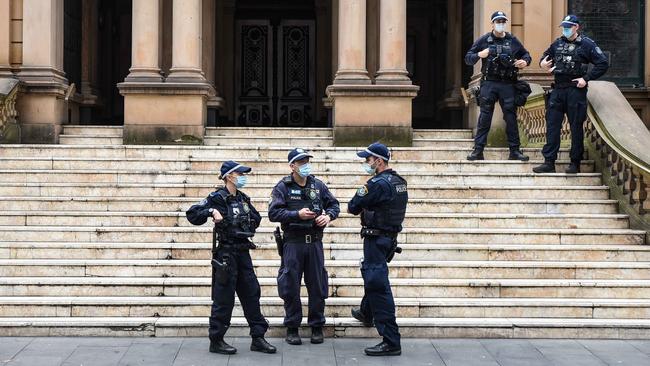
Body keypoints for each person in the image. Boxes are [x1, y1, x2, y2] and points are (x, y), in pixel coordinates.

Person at [186, 160, 276, 355]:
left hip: (243, 252)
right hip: (226, 254)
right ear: (228, 176)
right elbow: (192, 214)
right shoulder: (217, 197)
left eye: (243, 174)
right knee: (224, 298)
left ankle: (258, 337)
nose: (243, 177)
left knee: (252, 294)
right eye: (239, 174)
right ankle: (216, 340)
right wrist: (212, 211)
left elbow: (257, 218)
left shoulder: (243, 198)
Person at [268, 148, 340, 345]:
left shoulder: (318, 185)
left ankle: (317, 326)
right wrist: (296, 215)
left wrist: (328, 216)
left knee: (317, 285)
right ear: (292, 166)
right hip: (293, 243)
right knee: (290, 285)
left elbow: (334, 205)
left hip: (314, 243)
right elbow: (273, 214)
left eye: (307, 161)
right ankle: (292, 327)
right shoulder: (282, 187)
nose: (305, 165)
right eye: (301, 163)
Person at [348, 142, 407, 357]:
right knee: (374, 277)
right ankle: (366, 312)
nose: (366, 163)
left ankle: (391, 340)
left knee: (378, 284)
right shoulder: (399, 181)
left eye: (368, 160)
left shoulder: (377, 184)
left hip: (376, 239)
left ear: (378, 161)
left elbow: (352, 206)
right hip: (389, 239)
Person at [533, 14, 609, 174]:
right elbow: (544, 58)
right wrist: (542, 63)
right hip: (558, 90)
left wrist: (586, 78)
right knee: (552, 125)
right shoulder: (557, 43)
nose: (565, 30)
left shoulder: (587, 44)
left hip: (576, 90)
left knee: (576, 127)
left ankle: (575, 163)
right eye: (564, 27)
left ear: (576, 27)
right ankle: (549, 162)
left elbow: (602, 63)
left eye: (568, 27)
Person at [465, 10, 532, 161]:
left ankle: (514, 151)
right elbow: (468, 58)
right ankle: (478, 151)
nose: (500, 24)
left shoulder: (512, 40)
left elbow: (526, 55)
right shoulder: (484, 40)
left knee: (511, 117)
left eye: (503, 21)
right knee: (484, 117)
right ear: (493, 23)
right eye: (498, 21)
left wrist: (525, 62)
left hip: (508, 84)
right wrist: (479, 55)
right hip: (489, 83)